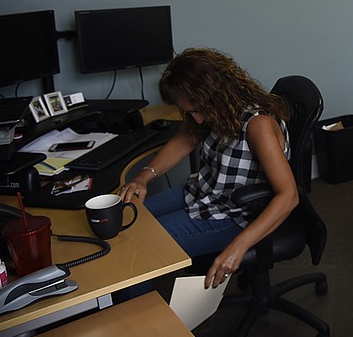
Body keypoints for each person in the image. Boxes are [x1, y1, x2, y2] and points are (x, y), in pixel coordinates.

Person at [120, 47, 298, 289]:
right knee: (127, 219)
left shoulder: (258, 125)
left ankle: (137, 322)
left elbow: (289, 196)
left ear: (215, 95)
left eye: (195, 111)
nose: (197, 119)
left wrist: (239, 245)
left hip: (235, 215)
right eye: (188, 112)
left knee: (141, 248)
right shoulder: (216, 111)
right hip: (205, 193)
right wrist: (143, 176)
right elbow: (185, 139)